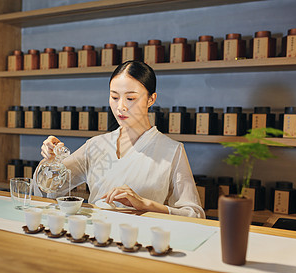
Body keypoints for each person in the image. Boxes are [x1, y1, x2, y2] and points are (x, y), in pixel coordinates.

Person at [34, 60, 205, 218]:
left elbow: (194, 215)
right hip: (96, 238)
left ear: (151, 99)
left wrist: (145, 204)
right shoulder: (97, 145)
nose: (120, 106)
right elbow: (47, 189)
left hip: (140, 243)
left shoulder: (171, 151)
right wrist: (50, 160)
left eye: (130, 98)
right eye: (114, 97)